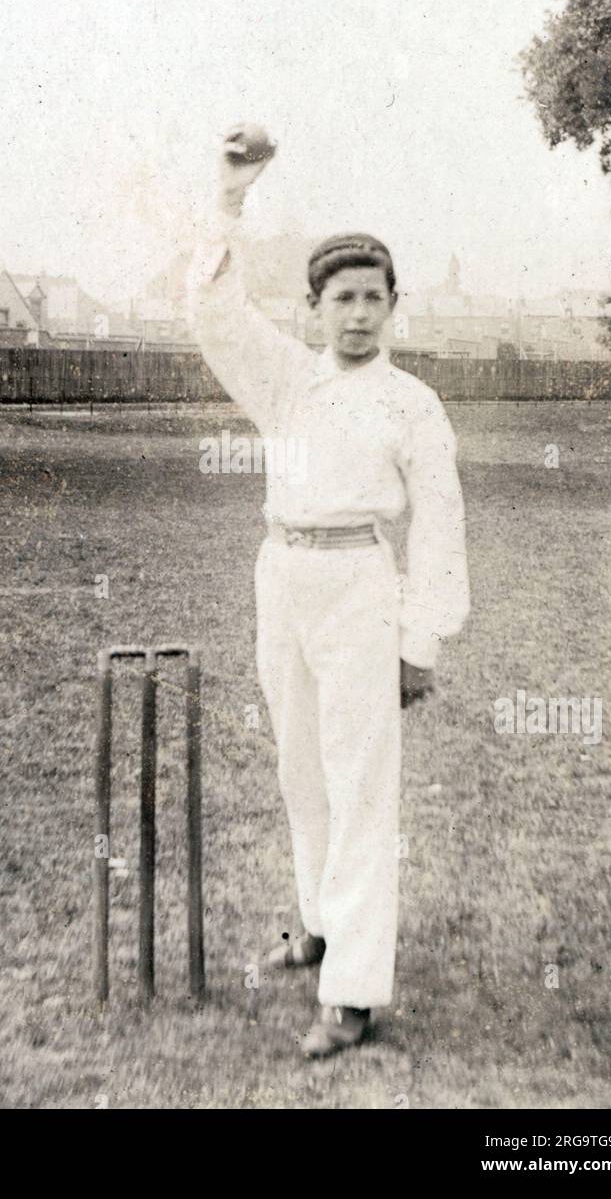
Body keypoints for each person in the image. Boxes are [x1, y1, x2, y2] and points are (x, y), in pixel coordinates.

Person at [186, 126, 470, 1058]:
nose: (357, 316)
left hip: (359, 586)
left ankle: (351, 995)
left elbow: (438, 522)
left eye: (372, 300)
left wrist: (421, 640)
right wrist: (230, 196)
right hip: (284, 578)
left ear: (393, 308)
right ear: (313, 310)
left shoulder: (411, 402)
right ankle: (317, 927)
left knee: (359, 786)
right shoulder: (286, 382)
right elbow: (214, 313)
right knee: (300, 768)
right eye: (341, 299)